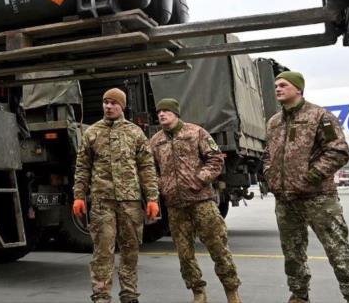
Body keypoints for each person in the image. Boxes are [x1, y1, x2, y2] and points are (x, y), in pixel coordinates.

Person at [264, 71, 349, 303]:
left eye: (283, 85)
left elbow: (338, 151)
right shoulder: (273, 122)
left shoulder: (320, 116)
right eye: (276, 85)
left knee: (338, 253)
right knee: (292, 255)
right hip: (286, 200)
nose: (278, 89)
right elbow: (267, 155)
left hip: (318, 198)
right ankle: (299, 296)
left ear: (298, 89)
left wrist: (310, 177)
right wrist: (269, 175)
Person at [149, 98, 242, 303]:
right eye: (159, 112)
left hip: (202, 202)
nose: (162, 114)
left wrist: (200, 178)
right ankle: (198, 292)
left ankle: (232, 291)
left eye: (166, 111)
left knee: (218, 247)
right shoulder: (156, 141)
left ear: (176, 113)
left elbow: (216, 159)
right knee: (185, 254)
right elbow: (149, 169)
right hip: (175, 206)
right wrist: (162, 185)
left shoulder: (196, 132)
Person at [72, 88, 159, 303]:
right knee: (103, 251)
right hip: (102, 202)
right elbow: (82, 167)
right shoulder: (92, 133)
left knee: (130, 250)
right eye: (105, 102)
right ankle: (101, 296)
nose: (108, 106)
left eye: (113, 103)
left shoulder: (135, 133)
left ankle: (129, 294)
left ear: (122, 106)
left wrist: (152, 199)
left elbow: (147, 167)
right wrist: (79, 196)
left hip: (130, 202)